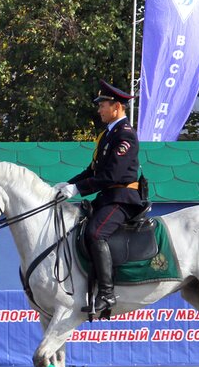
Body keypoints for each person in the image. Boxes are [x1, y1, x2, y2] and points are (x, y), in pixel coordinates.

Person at [54, 79, 141, 312]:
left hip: (122, 198)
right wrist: (67, 186)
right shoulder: (107, 135)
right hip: (107, 197)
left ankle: (107, 293)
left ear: (117, 107)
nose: (99, 109)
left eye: (103, 104)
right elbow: (93, 170)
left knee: (95, 233)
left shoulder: (125, 136)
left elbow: (112, 175)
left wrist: (79, 189)